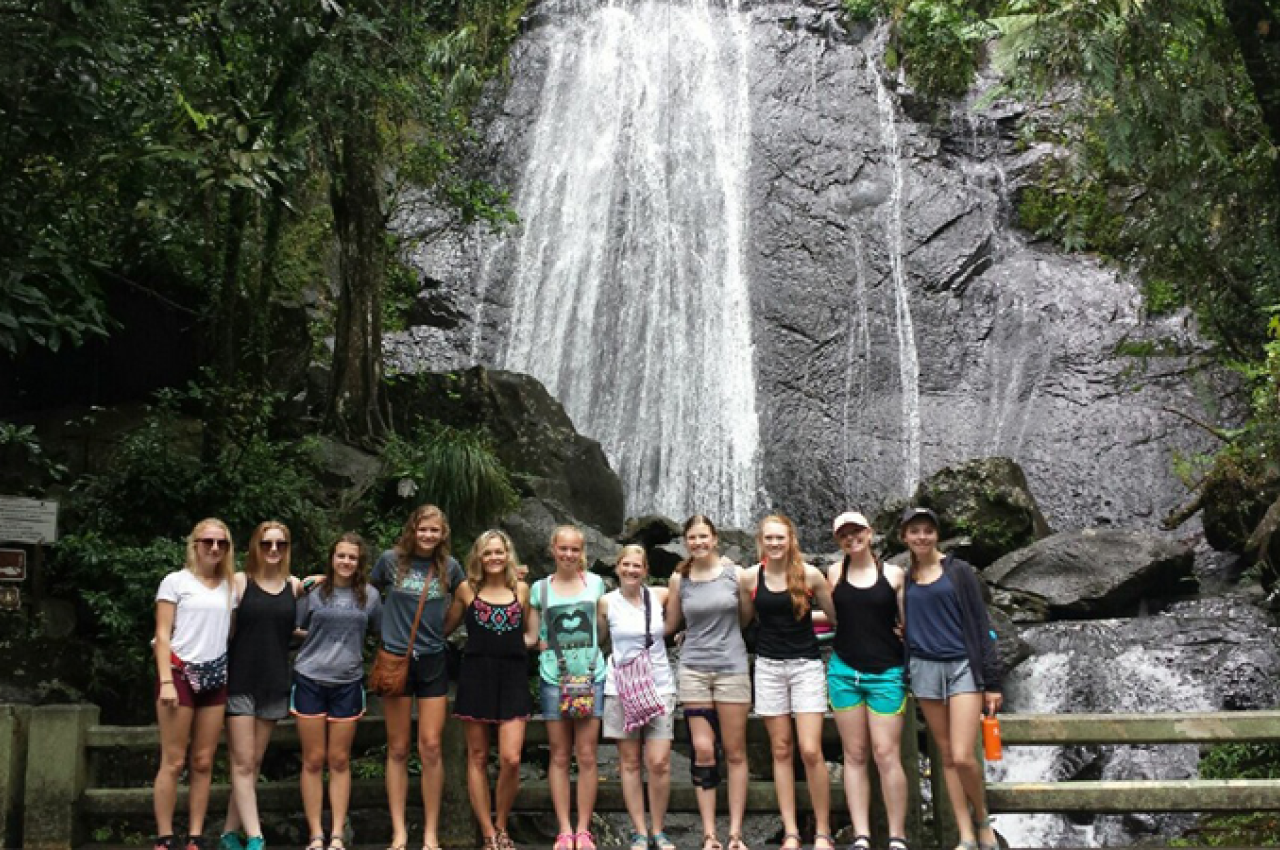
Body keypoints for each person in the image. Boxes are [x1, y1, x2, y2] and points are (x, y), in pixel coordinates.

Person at [899, 507, 1002, 850]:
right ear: (905, 537)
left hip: (961, 667)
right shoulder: (905, 577)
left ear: (937, 535)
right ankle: (966, 834)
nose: (922, 537)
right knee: (944, 754)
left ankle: (982, 818)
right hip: (924, 669)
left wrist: (992, 681)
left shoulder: (958, 572)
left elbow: (980, 624)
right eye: (915, 531)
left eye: (928, 530)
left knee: (962, 755)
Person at [740, 514, 838, 850]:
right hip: (768, 667)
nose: (775, 543)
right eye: (769, 538)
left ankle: (823, 830)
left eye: (780, 538)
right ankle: (792, 831)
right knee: (781, 750)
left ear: (791, 538)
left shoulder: (810, 575)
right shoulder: (751, 577)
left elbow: (837, 615)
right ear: (761, 541)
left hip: (806, 666)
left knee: (810, 750)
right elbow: (742, 620)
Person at [371, 505, 466, 850]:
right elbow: (363, 593)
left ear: (443, 534)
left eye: (435, 531)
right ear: (413, 530)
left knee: (430, 746)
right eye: (423, 529)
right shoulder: (389, 561)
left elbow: (466, 598)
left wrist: (445, 629)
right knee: (397, 747)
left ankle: (430, 833)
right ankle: (399, 831)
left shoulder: (449, 567)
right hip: (396, 659)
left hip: (432, 662)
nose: (428, 536)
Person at [664, 515, 751, 850]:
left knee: (735, 750)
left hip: (732, 666)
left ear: (715, 539)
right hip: (694, 670)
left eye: (704, 537)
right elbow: (671, 623)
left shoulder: (736, 575)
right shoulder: (679, 579)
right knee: (702, 750)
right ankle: (710, 833)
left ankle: (735, 834)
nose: (698, 543)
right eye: (692, 538)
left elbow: (745, 617)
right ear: (686, 541)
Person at [823, 512, 909, 850]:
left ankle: (897, 835)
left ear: (870, 533)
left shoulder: (894, 574)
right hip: (844, 671)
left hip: (887, 673)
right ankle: (861, 834)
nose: (852, 538)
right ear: (838, 541)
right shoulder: (834, 573)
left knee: (886, 754)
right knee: (854, 753)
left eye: (857, 531)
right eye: (844, 534)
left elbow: (906, 621)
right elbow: (834, 618)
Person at [444, 530, 533, 850]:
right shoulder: (467, 590)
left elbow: (529, 633)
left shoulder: (521, 590)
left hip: (512, 676)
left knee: (511, 757)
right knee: (478, 756)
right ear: (478, 557)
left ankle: (502, 824)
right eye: (488, 553)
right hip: (477, 675)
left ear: (508, 555)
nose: (494, 558)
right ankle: (488, 833)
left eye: (499, 552)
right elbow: (444, 627)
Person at [293, 533, 382, 850]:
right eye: (341, 556)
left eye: (352, 557)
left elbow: (379, 630)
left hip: (348, 680)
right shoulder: (314, 591)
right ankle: (316, 833)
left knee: (340, 759)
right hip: (310, 677)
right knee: (313, 759)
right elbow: (294, 625)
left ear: (360, 562)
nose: (346, 562)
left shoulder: (369, 596)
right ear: (331, 558)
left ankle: (337, 835)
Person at [153, 519, 236, 850]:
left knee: (203, 760)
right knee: (173, 760)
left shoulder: (231, 585)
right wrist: (165, 681)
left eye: (222, 543)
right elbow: (162, 635)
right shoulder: (176, 582)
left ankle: (196, 836)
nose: (214, 548)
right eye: (208, 542)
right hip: (179, 674)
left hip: (215, 675)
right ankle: (164, 835)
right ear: (195, 544)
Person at [221, 522, 304, 850]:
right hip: (241, 680)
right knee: (241, 762)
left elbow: (299, 626)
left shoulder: (295, 586)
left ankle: (229, 833)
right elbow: (221, 627)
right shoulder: (241, 583)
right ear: (255, 546)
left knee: (253, 763)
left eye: (280, 545)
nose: (273, 550)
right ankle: (255, 838)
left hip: (274, 681)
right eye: (267, 544)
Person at [526, 525, 607, 850]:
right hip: (553, 678)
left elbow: (609, 622)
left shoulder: (597, 584)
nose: (569, 555)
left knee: (587, 755)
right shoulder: (539, 589)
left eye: (575, 549)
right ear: (553, 549)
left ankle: (583, 829)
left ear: (582, 551)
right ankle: (564, 829)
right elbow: (533, 638)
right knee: (559, 755)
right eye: (564, 549)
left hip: (591, 676)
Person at [598, 545, 675, 850]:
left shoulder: (660, 596)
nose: (631, 570)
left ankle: (659, 828)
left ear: (646, 570)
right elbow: (601, 640)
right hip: (621, 687)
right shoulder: (605, 603)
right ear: (617, 568)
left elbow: (682, 606)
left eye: (637, 566)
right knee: (629, 762)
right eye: (625, 565)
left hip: (659, 684)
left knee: (659, 761)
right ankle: (639, 830)